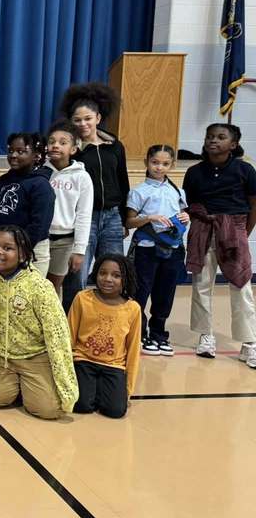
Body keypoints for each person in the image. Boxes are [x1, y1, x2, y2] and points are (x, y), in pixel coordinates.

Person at [0, 225, 78, 419]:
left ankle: (32, 386)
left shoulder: (39, 287)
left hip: (35, 357)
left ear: (22, 254)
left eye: (7, 248)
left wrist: (66, 384)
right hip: (0, 357)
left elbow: (58, 334)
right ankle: (18, 386)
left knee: (49, 410)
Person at [184, 123, 256, 365]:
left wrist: (243, 233)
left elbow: (254, 205)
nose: (213, 140)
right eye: (209, 136)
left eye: (220, 137)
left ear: (233, 144)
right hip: (203, 228)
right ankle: (206, 336)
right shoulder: (194, 172)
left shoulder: (246, 170)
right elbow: (190, 205)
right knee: (201, 284)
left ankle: (249, 343)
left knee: (241, 285)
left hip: (234, 229)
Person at [58, 83, 130, 311]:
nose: (83, 124)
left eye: (87, 118)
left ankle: (111, 321)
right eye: (77, 120)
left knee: (115, 272)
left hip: (112, 219)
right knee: (76, 277)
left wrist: (125, 219)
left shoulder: (115, 146)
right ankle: (72, 324)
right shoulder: (72, 150)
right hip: (83, 220)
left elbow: (123, 182)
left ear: (98, 118)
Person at [126, 144, 189, 356]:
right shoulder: (138, 192)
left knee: (165, 293)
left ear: (172, 165)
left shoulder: (177, 191)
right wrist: (148, 218)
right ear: (146, 163)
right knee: (141, 291)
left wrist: (185, 218)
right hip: (146, 249)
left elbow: (182, 218)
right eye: (155, 162)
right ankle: (139, 333)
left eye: (165, 164)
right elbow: (129, 221)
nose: (159, 167)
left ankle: (159, 334)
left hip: (172, 250)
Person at [70, 254, 141, 418]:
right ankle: (90, 390)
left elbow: (133, 350)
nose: (108, 279)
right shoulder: (82, 298)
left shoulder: (133, 309)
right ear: (95, 273)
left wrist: (127, 389)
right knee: (81, 405)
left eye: (116, 275)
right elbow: (69, 336)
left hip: (113, 366)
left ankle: (100, 390)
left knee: (115, 411)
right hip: (83, 360)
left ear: (126, 278)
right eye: (103, 273)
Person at [0, 132, 55, 271]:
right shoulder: (2, 180)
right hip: (2, 250)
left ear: (36, 155)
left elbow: (39, 225)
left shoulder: (40, 184)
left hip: (30, 251)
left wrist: (19, 250)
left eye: (21, 151)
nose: (13, 155)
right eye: (11, 151)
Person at [44, 120, 93, 299]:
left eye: (63, 142)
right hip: (39, 239)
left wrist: (79, 250)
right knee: (34, 284)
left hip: (65, 241)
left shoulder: (82, 177)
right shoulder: (40, 172)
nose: (55, 145)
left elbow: (84, 215)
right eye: (52, 141)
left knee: (52, 287)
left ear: (73, 149)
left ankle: (52, 325)